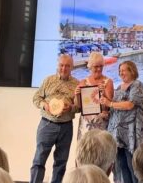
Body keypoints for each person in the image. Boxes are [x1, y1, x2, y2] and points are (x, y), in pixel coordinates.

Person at [30, 54, 79, 183]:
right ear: (58, 66)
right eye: (61, 65)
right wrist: (44, 105)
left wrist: (71, 108)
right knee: (39, 159)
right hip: (47, 124)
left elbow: (80, 107)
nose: (64, 68)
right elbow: (36, 98)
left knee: (61, 162)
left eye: (67, 66)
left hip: (66, 126)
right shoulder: (48, 80)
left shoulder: (77, 84)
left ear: (72, 67)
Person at [100, 60, 143, 183]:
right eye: (119, 71)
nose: (121, 73)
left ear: (132, 71)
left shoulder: (137, 85)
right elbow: (116, 108)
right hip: (116, 134)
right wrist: (107, 113)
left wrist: (109, 103)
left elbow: (130, 105)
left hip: (131, 133)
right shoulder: (119, 87)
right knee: (121, 167)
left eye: (124, 70)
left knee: (133, 167)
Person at [77, 52, 114, 140]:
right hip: (86, 124)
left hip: (102, 123)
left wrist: (103, 91)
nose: (99, 69)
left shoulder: (108, 82)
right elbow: (79, 106)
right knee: (85, 150)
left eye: (101, 66)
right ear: (90, 66)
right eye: (96, 66)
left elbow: (110, 104)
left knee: (102, 150)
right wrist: (77, 94)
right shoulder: (83, 82)